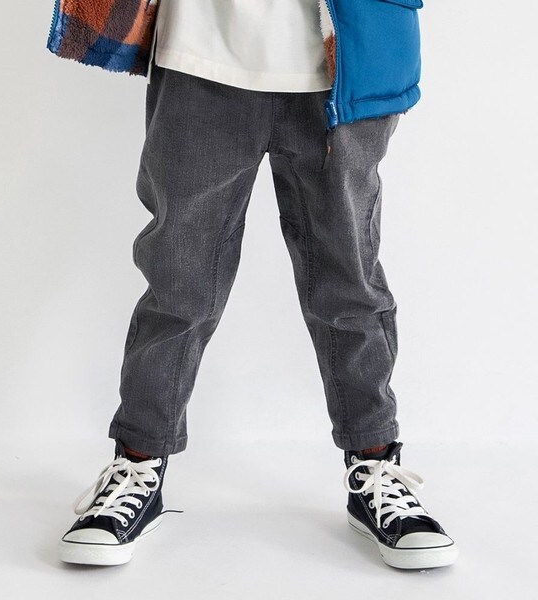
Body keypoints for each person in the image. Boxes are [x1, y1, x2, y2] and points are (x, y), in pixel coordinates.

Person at [48, 0, 458, 570]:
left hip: (347, 57)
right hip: (201, 57)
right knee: (177, 284)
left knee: (349, 282)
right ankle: (138, 464)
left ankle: (375, 466)